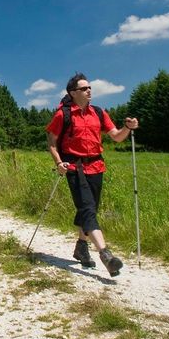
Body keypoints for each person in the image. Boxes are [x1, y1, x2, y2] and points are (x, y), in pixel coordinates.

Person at [45, 73, 139, 277]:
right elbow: (51, 142)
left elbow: (116, 137)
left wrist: (127, 128)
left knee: (90, 209)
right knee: (87, 209)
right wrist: (59, 162)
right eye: (84, 88)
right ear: (73, 93)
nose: (89, 91)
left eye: (90, 88)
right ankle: (106, 255)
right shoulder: (64, 115)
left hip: (96, 166)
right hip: (74, 167)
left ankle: (81, 247)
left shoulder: (98, 112)